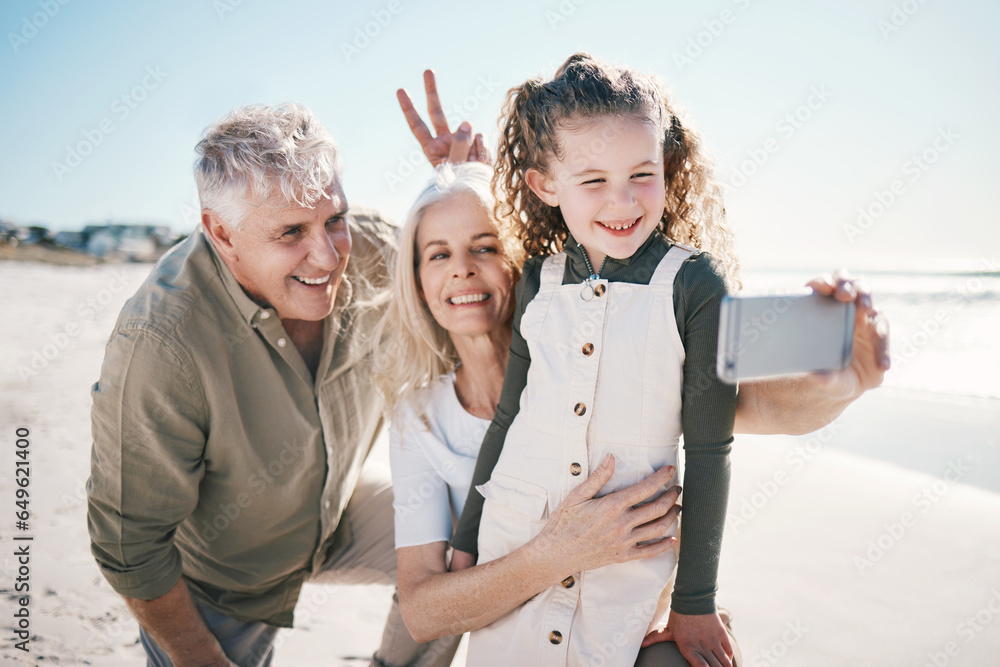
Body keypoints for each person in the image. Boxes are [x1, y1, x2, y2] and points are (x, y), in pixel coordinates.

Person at [386, 58, 890, 667]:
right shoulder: (538, 285)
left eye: (640, 174)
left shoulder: (692, 284)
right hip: (511, 550)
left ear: (668, 167)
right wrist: (466, 546)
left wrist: (695, 600)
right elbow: (509, 419)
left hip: (626, 567)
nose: (621, 200)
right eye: (593, 180)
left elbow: (712, 443)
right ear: (545, 185)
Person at [86, 103, 464, 667]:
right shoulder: (160, 343)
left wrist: (464, 192)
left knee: (468, 536)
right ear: (221, 232)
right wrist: (199, 657)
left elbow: (486, 285)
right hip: (221, 578)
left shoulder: (376, 253)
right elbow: (129, 543)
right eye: (291, 232)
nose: (328, 255)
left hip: (334, 519)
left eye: (333, 219)